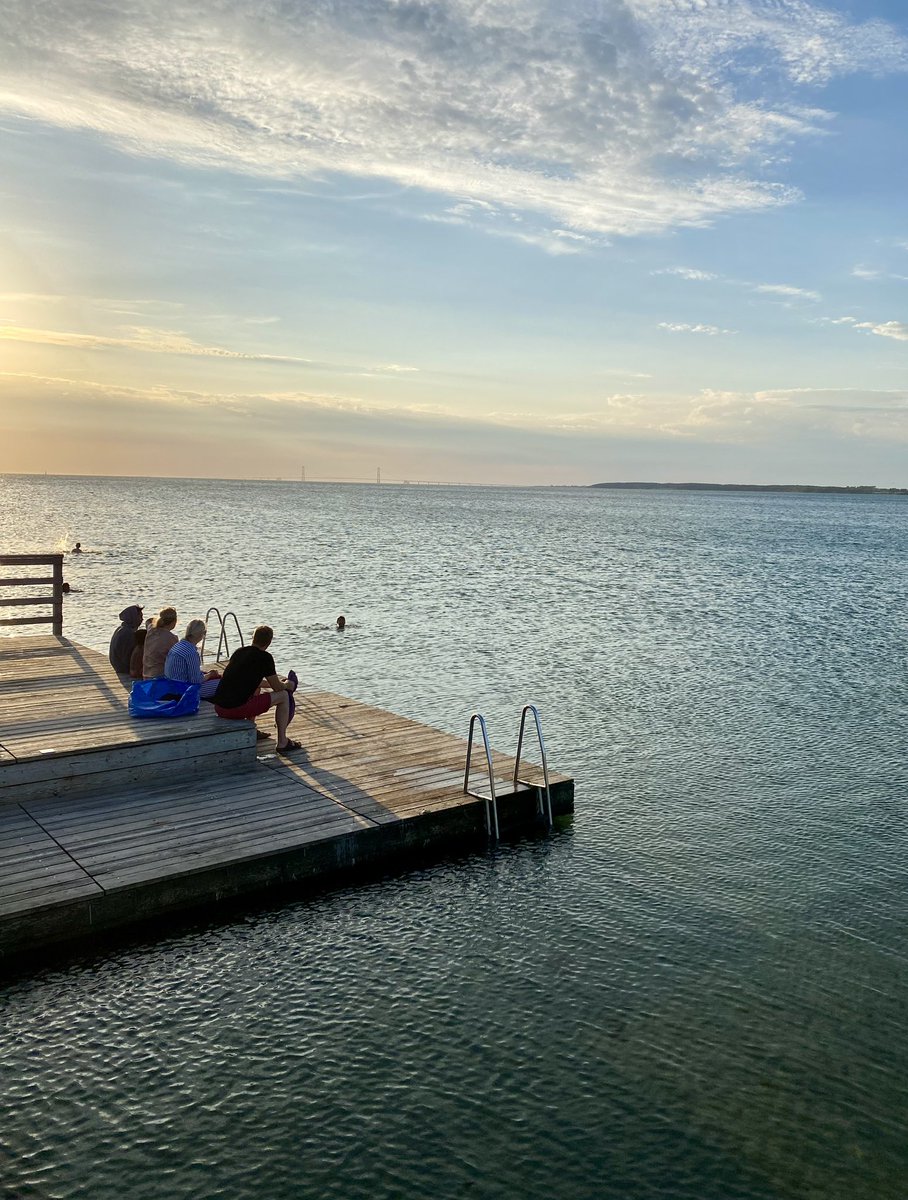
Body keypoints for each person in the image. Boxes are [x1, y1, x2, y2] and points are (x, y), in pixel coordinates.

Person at [212, 625, 300, 753]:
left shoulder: (239, 652)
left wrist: (276, 683)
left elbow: (249, 681)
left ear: (253, 638)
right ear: (269, 642)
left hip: (219, 707)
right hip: (235, 709)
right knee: (284, 696)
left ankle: (252, 729)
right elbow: (277, 688)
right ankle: (283, 742)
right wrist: (287, 685)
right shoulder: (265, 658)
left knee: (256, 687)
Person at [164, 619, 221, 699]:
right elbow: (195, 680)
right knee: (223, 683)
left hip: (171, 686)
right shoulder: (191, 652)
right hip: (183, 691)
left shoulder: (178, 645)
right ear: (201, 634)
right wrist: (210, 675)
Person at [143, 606, 179, 679]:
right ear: (174, 622)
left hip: (146, 675)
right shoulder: (171, 638)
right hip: (160, 677)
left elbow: (148, 622)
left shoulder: (151, 631)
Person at [109, 604, 144, 674]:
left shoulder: (122, 628)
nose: (142, 619)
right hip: (122, 668)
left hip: (118, 665)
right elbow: (127, 656)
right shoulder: (127, 633)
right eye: (140, 617)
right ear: (133, 617)